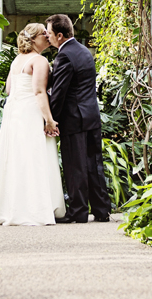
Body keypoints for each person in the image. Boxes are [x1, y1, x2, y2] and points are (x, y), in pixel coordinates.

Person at [0, 23, 65, 226]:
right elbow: (38, 92)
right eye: (44, 34)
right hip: (31, 112)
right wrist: (49, 120)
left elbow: (9, 89)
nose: (47, 36)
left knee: (16, 158)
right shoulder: (39, 60)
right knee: (33, 157)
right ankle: (33, 209)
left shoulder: (17, 60)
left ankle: (10, 207)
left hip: (14, 111)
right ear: (34, 39)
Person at [45, 14, 111, 224]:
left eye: (49, 34)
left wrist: (51, 120)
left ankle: (79, 211)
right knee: (94, 163)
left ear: (60, 35)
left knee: (76, 166)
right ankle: (102, 210)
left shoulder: (64, 56)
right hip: (91, 116)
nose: (48, 38)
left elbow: (60, 92)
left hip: (74, 119)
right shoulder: (83, 51)